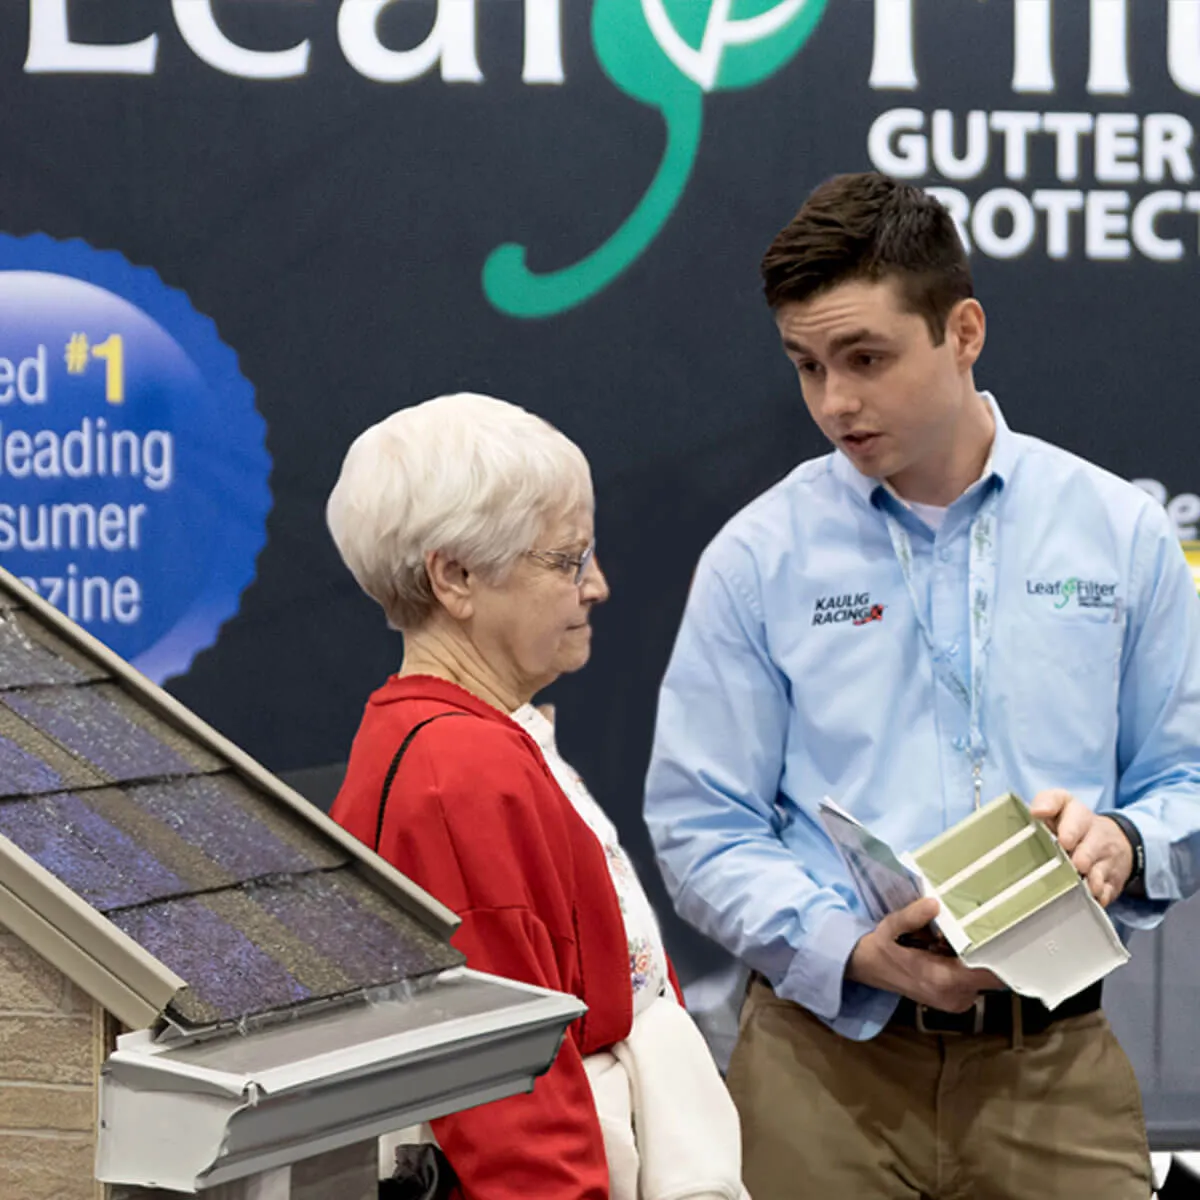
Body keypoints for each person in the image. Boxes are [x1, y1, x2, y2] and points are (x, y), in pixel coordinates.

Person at [644, 172, 1200, 1200]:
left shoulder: (1118, 534)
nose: (834, 402)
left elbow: (1190, 780)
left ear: (964, 332)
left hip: (1055, 1069)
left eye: (866, 358)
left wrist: (1124, 843)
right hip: (823, 1074)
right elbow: (699, 823)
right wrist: (854, 950)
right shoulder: (759, 558)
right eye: (806, 366)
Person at [326, 392, 746, 1200]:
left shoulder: (462, 740)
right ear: (455, 577)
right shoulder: (461, 772)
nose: (598, 587)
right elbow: (506, 1087)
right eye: (567, 560)